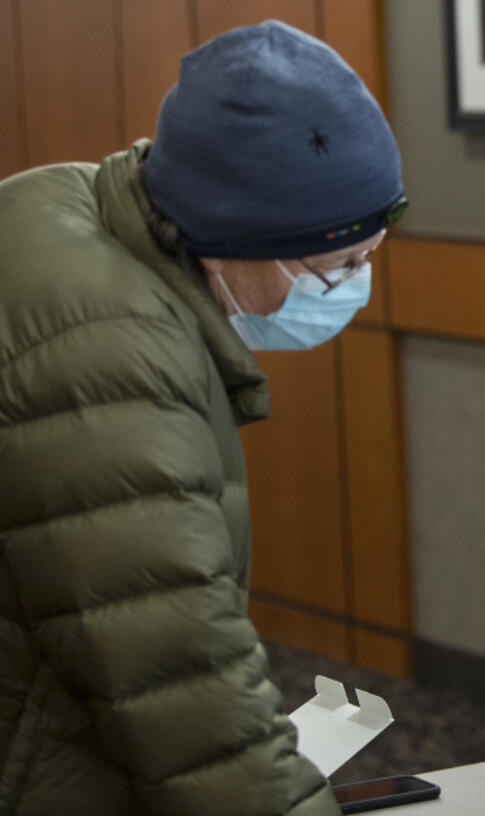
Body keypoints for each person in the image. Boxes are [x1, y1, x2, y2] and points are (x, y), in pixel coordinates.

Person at [0, 20, 405, 815]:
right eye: (337, 267)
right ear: (229, 243)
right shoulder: (111, 354)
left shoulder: (66, 199)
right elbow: (180, 677)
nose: (355, 287)